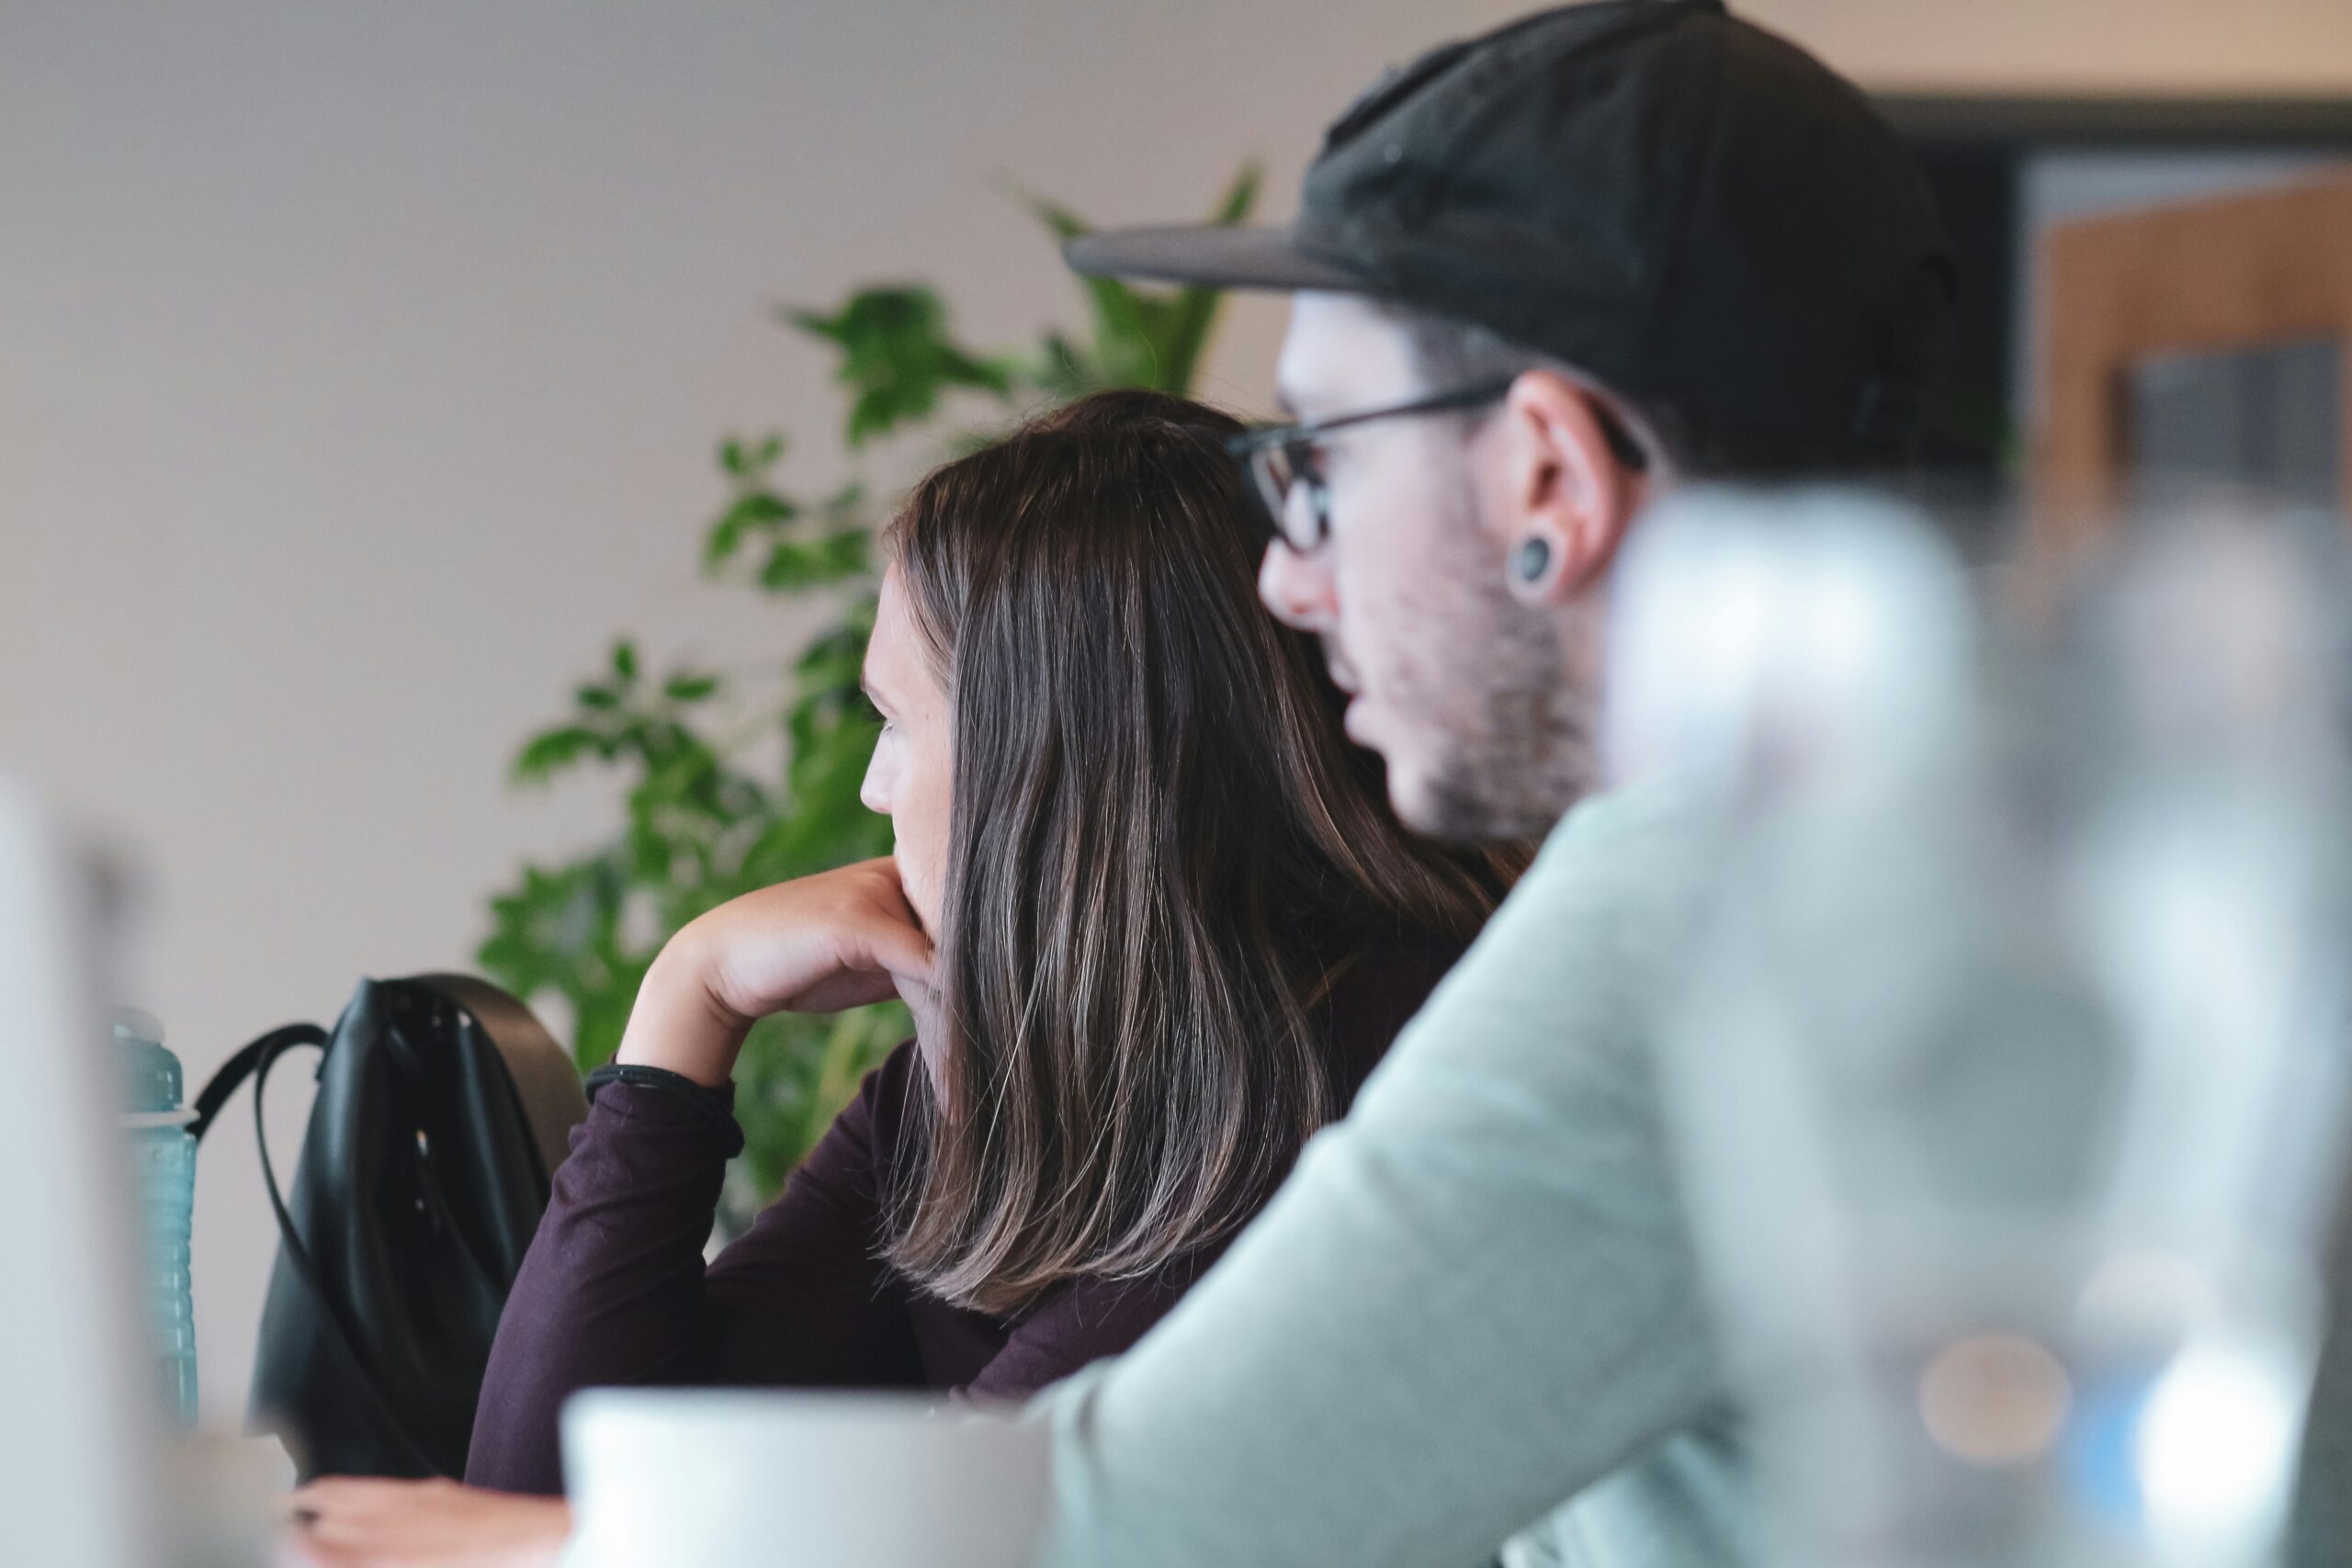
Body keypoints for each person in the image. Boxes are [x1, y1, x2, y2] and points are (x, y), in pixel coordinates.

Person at [294, 2, 1955, 1563]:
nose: (1294, 582)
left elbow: (1130, 1530)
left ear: (1545, 477)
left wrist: (557, 1547)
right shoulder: (1877, 880)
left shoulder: (1701, 942)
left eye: (1323, 466)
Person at [290, 391, 1515, 1560]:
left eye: (897, 719)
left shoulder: (1349, 1089)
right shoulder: (986, 1080)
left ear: (1049, 767)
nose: (875, 788)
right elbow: (543, 1495)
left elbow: (958, 1547)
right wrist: (686, 1005)